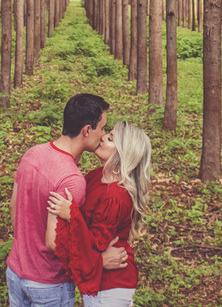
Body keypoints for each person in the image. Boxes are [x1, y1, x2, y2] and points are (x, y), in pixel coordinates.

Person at [6, 93, 129, 307]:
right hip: (48, 284)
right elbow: (54, 242)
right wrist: (98, 262)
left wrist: (26, 249)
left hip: (15, 272)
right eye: (102, 128)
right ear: (87, 130)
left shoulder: (33, 153)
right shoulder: (71, 179)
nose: (103, 135)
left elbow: (13, 206)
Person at [46, 121, 152, 307]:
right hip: (102, 279)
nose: (102, 137)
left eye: (110, 139)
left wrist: (71, 214)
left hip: (112, 284)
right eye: (107, 134)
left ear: (122, 154)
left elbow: (96, 243)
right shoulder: (98, 176)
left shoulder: (116, 196)